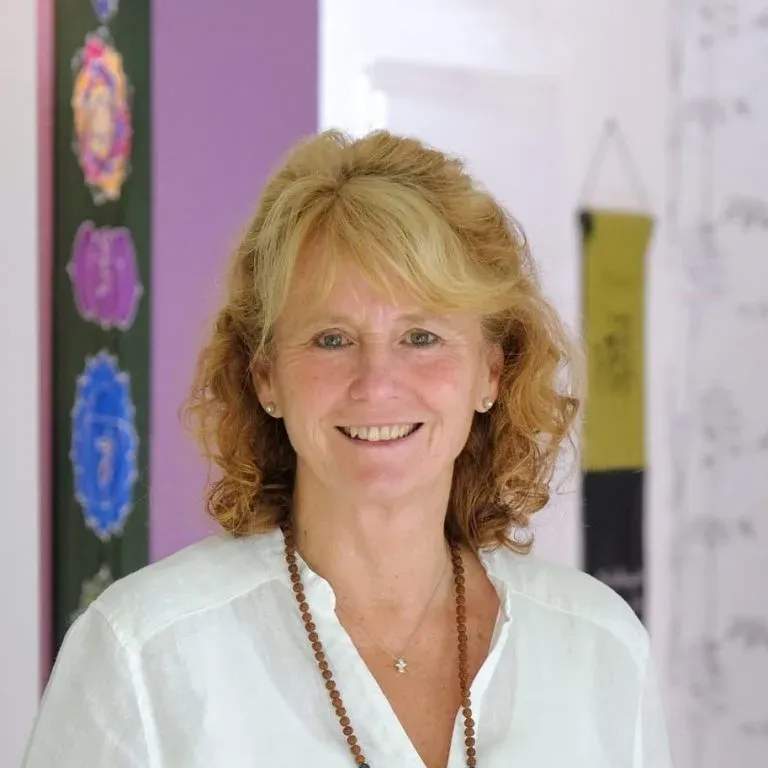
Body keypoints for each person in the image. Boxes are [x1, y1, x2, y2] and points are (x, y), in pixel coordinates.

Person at [23, 129, 673, 767]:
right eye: (332, 339)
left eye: (420, 337)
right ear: (266, 377)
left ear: (492, 372)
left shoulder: (601, 648)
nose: (377, 384)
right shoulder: (142, 654)